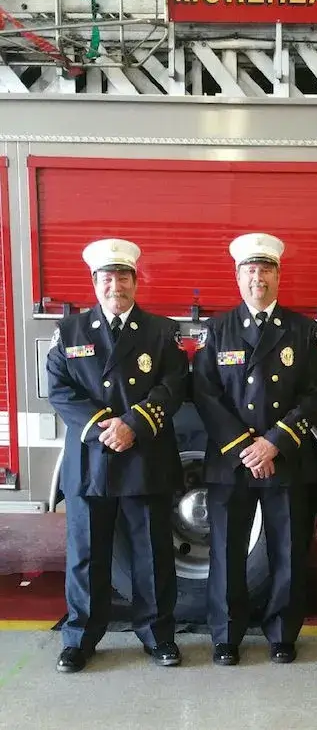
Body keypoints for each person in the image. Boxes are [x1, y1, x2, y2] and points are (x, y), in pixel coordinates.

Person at [47, 238, 189, 674]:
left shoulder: (160, 331)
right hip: (91, 460)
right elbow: (59, 388)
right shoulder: (70, 331)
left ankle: (157, 635)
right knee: (87, 554)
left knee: (151, 552)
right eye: (107, 278)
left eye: (123, 277)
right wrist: (102, 428)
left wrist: (135, 424)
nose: (115, 285)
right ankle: (80, 638)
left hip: (143, 457)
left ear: (134, 281)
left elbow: (174, 384)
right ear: (94, 282)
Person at [193, 233, 317, 666]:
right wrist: (243, 447)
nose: (257, 278)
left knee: (287, 550)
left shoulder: (302, 330)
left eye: (265, 270)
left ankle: (282, 634)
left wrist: (274, 442)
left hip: (283, 458)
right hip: (231, 463)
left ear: (278, 275)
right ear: (237, 276)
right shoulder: (217, 330)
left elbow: (314, 393)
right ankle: (226, 636)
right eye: (250, 270)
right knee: (228, 553)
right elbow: (205, 394)